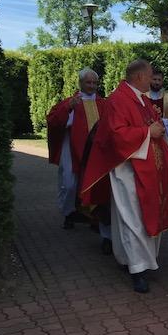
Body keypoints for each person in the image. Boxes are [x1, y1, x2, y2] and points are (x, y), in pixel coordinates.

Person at [80, 59, 168, 293]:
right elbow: (116, 135)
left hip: (148, 168)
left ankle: (129, 259)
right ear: (139, 77)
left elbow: (150, 124)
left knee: (132, 217)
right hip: (128, 169)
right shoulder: (118, 100)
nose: (152, 80)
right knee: (133, 218)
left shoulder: (141, 99)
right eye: (150, 76)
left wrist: (157, 128)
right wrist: (148, 132)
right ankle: (138, 270)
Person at [46, 68, 107, 236]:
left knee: (94, 184)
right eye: (88, 82)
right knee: (70, 184)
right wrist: (68, 108)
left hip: (95, 152)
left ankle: (95, 217)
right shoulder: (71, 102)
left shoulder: (103, 104)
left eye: (94, 82)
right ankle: (69, 213)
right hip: (72, 149)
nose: (92, 86)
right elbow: (53, 121)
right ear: (80, 83)